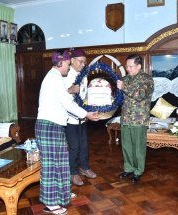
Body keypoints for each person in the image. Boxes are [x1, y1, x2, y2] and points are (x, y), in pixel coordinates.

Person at [35, 49, 99, 215]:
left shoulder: (56, 78)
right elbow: (67, 103)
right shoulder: (53, 78)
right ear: (61, 63)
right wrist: (86, 115)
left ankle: (62, 194)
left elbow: (66, 104)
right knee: (50, 166)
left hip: (55, 125)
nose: (69, 68)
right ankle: (50, 203)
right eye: (68, 65)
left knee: (61, 163)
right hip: (47, 126)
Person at [117, 54, 154, 183]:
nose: (128, 69)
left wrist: (124, 88)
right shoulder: (125, 79)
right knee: (126, 146)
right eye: (126, 66)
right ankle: (128, 168)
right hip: (126, 118)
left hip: (139, 119)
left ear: (139, 66)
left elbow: (140, 95)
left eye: (131, 66)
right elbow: (119, 97)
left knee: (138, 147)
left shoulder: (147, 79)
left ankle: (138, 171)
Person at [64, 49, 97, 186]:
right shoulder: (65, 75)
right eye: (81, 61)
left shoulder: (83, 76)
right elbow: (59, 96)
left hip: (82, 116)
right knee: (75, 146)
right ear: (72, 60)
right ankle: (73, 173)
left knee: (84, 144)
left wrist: (90, 107)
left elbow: (85, 95)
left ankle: (84, 167)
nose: (83, 64)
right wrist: (69, 91)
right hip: (69, 118)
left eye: (85, 62)